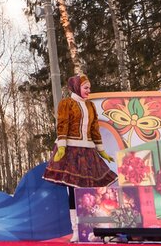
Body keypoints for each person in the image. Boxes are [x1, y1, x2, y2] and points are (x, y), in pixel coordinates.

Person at [42, 74, 117, 243]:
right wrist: (62, 146)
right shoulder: (66, 103)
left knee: (91, 189)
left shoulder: (90, 106)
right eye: (86, 87)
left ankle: (93, 229)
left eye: (89, 87)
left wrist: (101, 150)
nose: (89, 90)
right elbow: (62, 124)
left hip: (88, 151)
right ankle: (76, 230)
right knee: (73, 191)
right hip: (71, 151)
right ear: (76, 87)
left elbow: (94, 129)